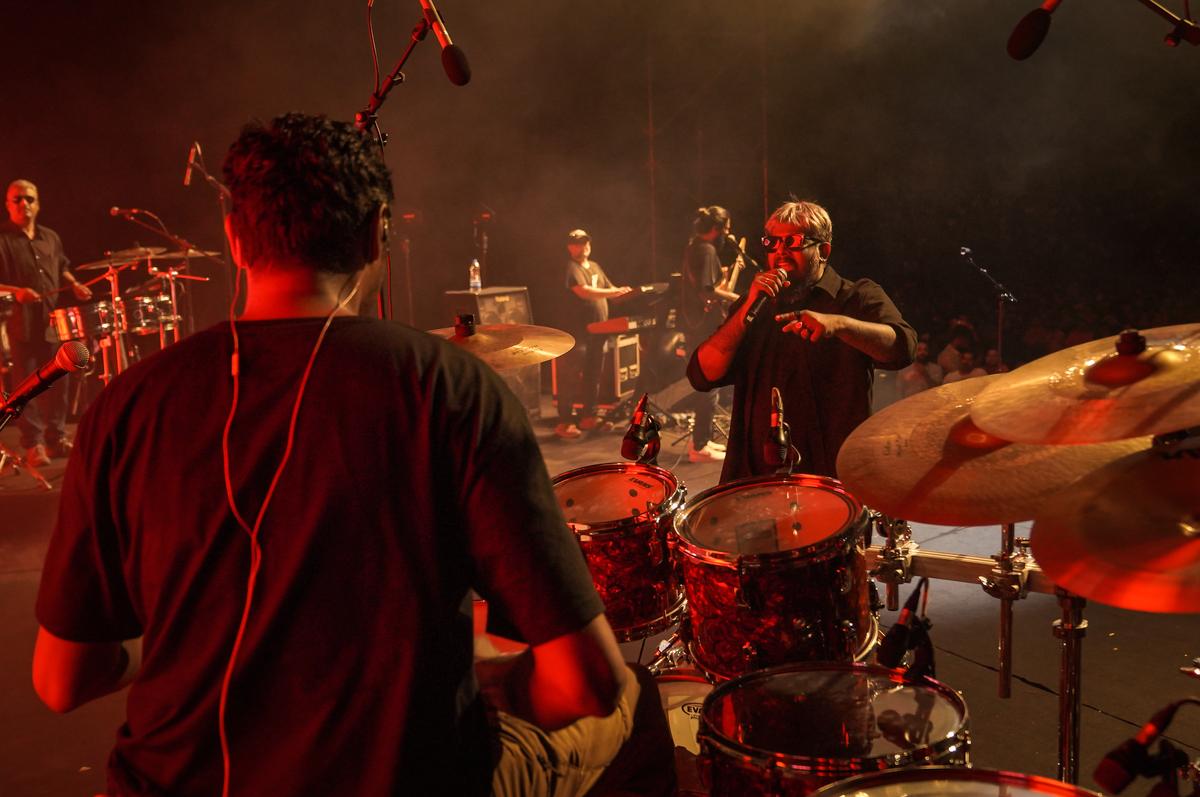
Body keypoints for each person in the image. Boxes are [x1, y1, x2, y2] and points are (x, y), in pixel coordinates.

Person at [32, 114, 672, 796]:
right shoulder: (447, 388)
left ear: (233, 239)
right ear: (378, 234)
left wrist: (180, 642)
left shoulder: (127, 403)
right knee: (634, 700)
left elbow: (61, 678)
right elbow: (585, 681)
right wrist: (499, 682)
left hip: (163, 782)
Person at [687, 199, 916, 482]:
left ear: (823, 250)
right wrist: (745, 309)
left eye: (792, 242)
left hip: (831, 477)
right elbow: (702, 374)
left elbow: (903, 347)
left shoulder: (856, 296)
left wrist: (840, 325)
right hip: (755, 477)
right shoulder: (755, 305)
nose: (779, 252)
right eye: (772, 243)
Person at [0, 179, 92, 466]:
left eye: (29, 199)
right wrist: (18, 293)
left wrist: (75, 284)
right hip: (19, 323)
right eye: (17, 199)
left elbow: (62, 266)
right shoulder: (2, 239)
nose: (23, 204)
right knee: (26, 386)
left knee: (58, 382)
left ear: (38, 203)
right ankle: (33, 444)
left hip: (51, 322)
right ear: (8, 204)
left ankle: (55, 439)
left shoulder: (50, 237)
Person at [676, 206, 744, 463]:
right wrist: (740, 299)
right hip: (704, 326)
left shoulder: (695, 247)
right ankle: (699, 447)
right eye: (726, 228)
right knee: (709, 383)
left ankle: (702, 440)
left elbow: (707, 284)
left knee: (709, 385)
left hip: (697, 324)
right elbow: (707, 292)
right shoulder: (705, 250)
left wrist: (724, 275)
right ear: (716, 229)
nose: (727, 233)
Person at [555, 229, 632, 439]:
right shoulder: (571, 268)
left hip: (600, 331)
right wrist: (613, 292)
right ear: (570, 247)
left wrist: (627, 292)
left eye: (586, 242)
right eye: (578, 243)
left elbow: (610, 288)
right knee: (570, 376)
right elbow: (585, 291)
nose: (584, 246)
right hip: (578, 332)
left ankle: (589, 416)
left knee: (593, 375)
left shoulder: (596, 266)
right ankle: (564, 422)